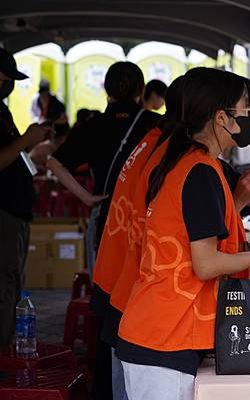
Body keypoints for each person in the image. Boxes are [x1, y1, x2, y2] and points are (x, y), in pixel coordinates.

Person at [115, 67, 250, 400]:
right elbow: (204, 264)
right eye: (248, 110)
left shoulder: (198, 164)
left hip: (165, 329)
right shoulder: (200, 171)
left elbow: (196, 242)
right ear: (222, 118)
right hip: (162, 335)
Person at [47, 61, 160, 400]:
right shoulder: (157, 126)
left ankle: (107, 385)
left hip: (107, 222)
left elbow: (53, 161)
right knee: (141, 300)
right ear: (142, 92)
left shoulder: (92, 125)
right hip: (148, 225)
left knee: (109, 302)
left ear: (107, 91)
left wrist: (87, 197)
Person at [0, 48, 52, 346]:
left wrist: (31, 151)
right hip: (4, 212)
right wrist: (26, 140)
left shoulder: (2, 111)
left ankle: (6, 346)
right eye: (7, 78)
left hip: (14, 212)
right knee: (5, 283)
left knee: (11, 283)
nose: (9, 85)